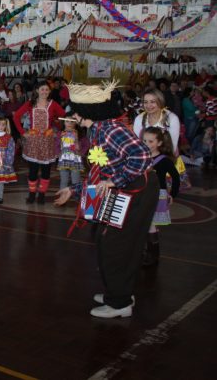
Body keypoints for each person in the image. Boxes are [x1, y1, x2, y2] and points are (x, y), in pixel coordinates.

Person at [55, 81, 157, 318]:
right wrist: (74, 190)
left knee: (115, 244)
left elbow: (142, 157)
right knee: (109, 242)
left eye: (76, 111)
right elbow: (100, 172)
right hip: (125, 188)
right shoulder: (98, 129)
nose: (73, 116)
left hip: (134, 190)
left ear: (87, 111)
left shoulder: (111, 129)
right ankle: (119, 291)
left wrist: (114, 181)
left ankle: (120, 303)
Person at [13, 81, 65, 204]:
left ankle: (41, 194)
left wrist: (55, 126)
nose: (44, 92)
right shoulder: (30, 104)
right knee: (33, 170)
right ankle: (31, 194)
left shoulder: (53, 104)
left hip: (47, 141)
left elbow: (63, 116)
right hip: (34, 141)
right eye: (42, 89)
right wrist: (22, 132)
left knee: (46, 170)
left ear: (49, 91)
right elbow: (16, 117)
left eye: (47, 90)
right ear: (37, 90)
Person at [133, 88, 190, 189]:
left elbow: (172, 145)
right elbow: (138, 145)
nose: (149, 105)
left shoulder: (171, 118)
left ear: (160, 101)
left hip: (167, 158)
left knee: (163, 191)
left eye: (152, 102)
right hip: (146, 159)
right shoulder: (139, 119)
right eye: (145, 102)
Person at [141, 127, 180, 268]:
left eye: (150, 141)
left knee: (151, 224)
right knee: (144, 223)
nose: (146, 144)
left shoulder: (164, 161)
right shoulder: (141, 157)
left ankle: (153, 255)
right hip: (143, 194)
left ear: (159, 143)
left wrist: (172, 194)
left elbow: (176, 178)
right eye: (144, 140)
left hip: (158, 195)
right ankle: (146, 251)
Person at [57, 114, 86, 191]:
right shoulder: (60, 133)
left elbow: (85, 145)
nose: (69, 123)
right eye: (67, 121)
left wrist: (82, 153)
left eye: (72, 121)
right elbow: (57, 145)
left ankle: (77, 198)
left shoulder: (80, 134)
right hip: (63, 160)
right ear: (64, 122)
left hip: (76, 160)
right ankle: (62, 197)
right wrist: (58, 153)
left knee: (76, 181)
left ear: (76, 123)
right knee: (64, 180)